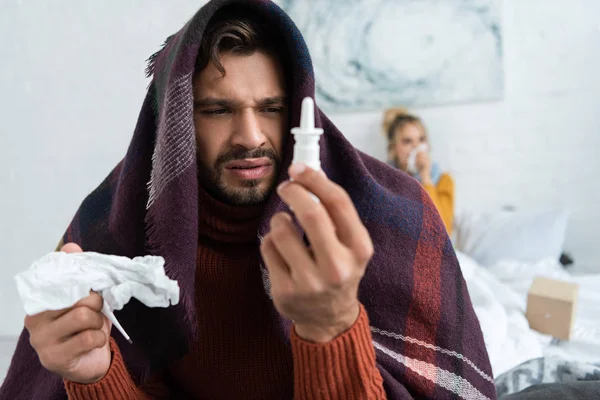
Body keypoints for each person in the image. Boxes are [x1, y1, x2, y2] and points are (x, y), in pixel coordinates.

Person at [0, 1, 495, 399]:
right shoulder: (114, 227)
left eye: (272, 109)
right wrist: (94, 376)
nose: (250, 137)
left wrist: (333, 327)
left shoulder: (396, 215)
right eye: (218, 109)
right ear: (176, 122)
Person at [383, 108, 455, 234]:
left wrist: (425, 177)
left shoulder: (443, 180)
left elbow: (442, 230)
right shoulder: (382, 182)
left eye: (421, 140)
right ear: (393, 148)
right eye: (407, 141)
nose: (416, 148)